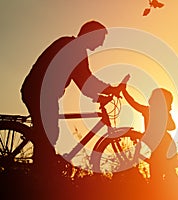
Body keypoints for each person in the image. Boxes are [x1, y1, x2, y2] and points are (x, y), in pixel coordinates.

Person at [21, 20, 123, 171]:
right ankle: (42, 172)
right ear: (91, 35)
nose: (101, 44)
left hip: (41, 92)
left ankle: (44, 169)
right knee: (49, 132)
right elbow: (84, 80)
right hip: (39, 93)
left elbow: (84, 81)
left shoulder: (73, 47)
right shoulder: (73, 49)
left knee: (48, 133)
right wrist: (109, 89)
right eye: (100, 39)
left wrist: (100, 95)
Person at [121, 81, 176, 181]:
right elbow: (172, 127)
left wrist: (124, 91)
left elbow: (133, 103)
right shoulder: (163, 114)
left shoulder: (148, 110)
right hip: (164, 145)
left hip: (159, 144)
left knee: (158, 171)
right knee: (163, 171)